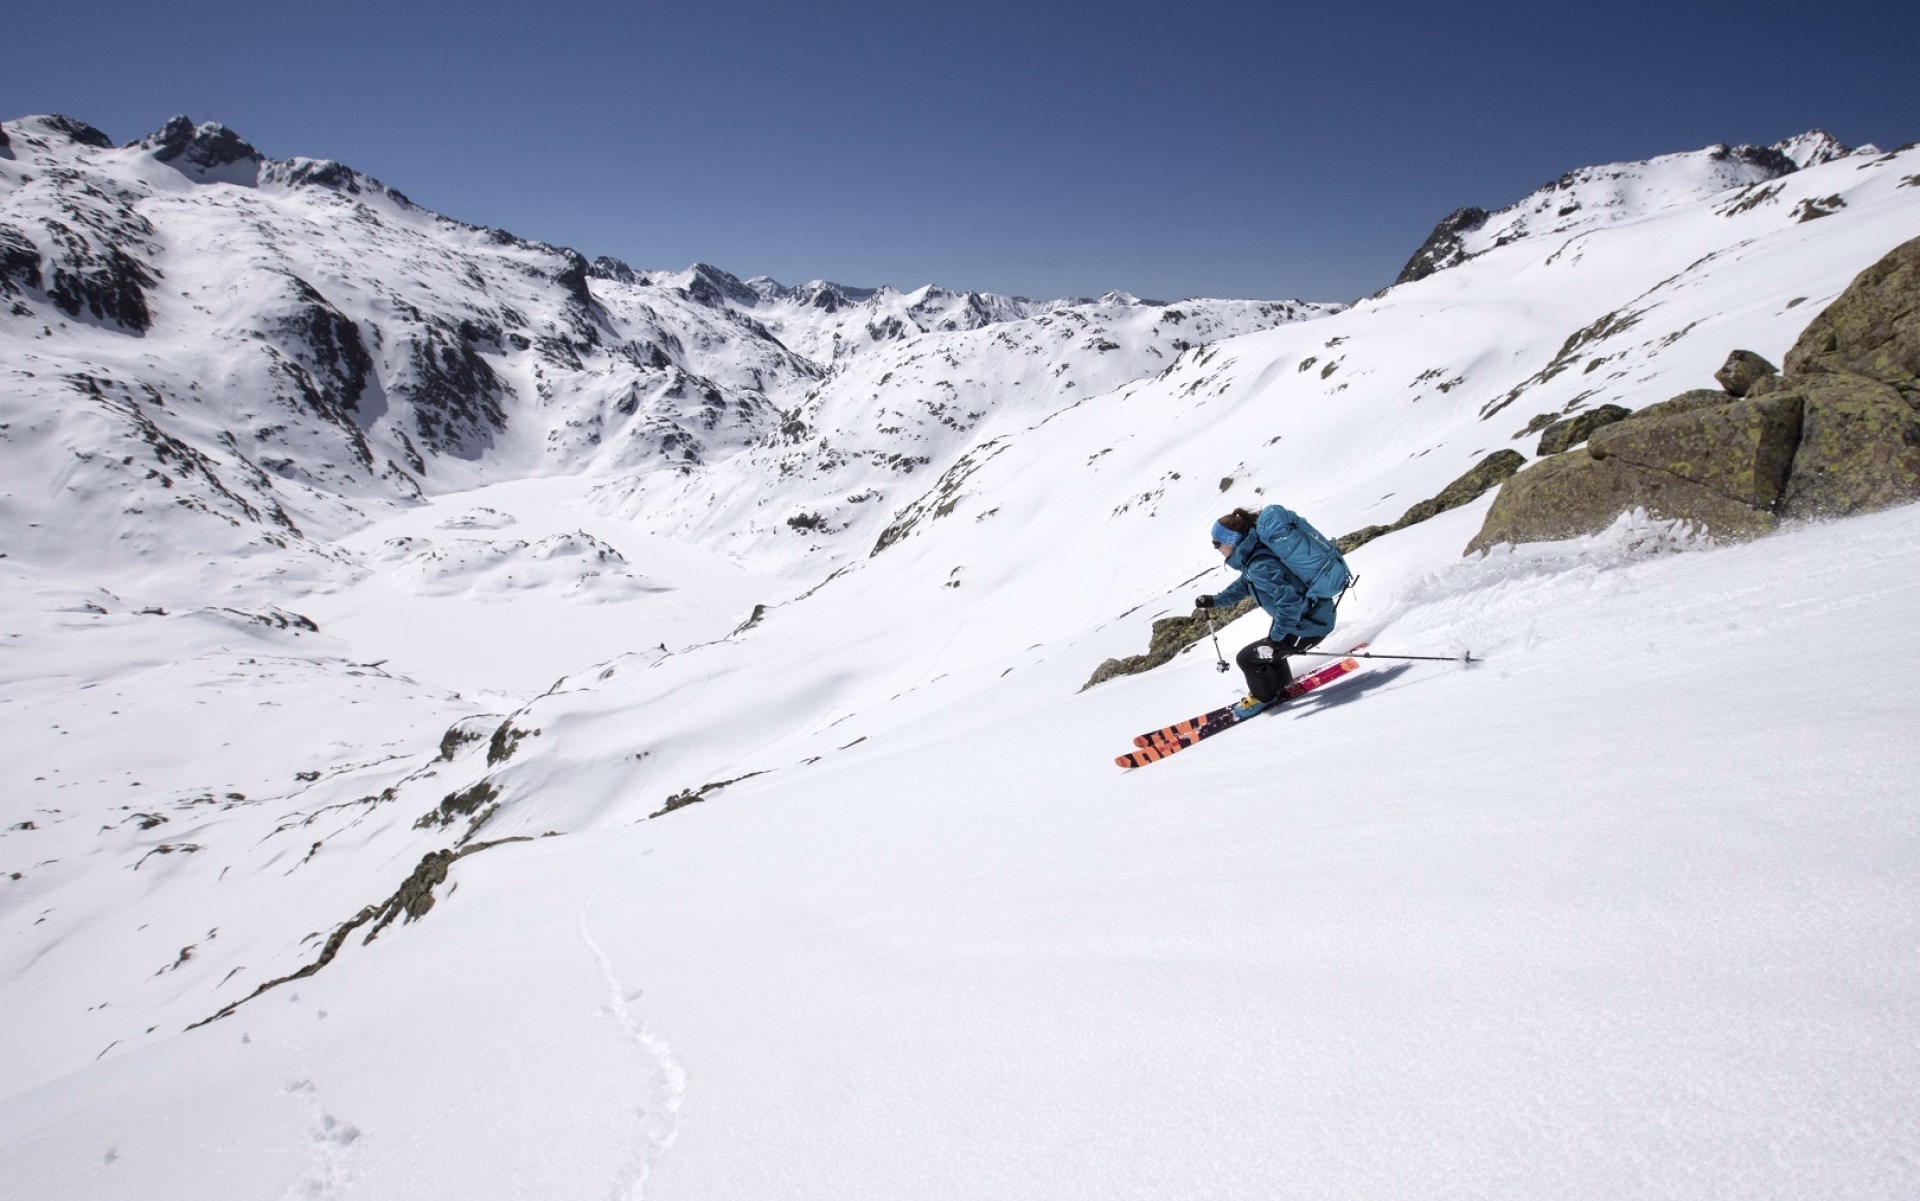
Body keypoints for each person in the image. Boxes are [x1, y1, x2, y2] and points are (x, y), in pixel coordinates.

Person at [1194, 507, 1339, 719]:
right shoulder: (1254, 557)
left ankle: (1264, 697)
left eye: (1218, 543)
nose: (1217, 548)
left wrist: (1273, 641)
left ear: (1232, 541)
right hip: (1311, 618)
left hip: (1310, 626)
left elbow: (1290, 604)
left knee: (1247, 658)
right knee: (1269, 650)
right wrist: (1215, 601)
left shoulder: (1260, 564)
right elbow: (1244, 585)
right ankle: (1280, 684)